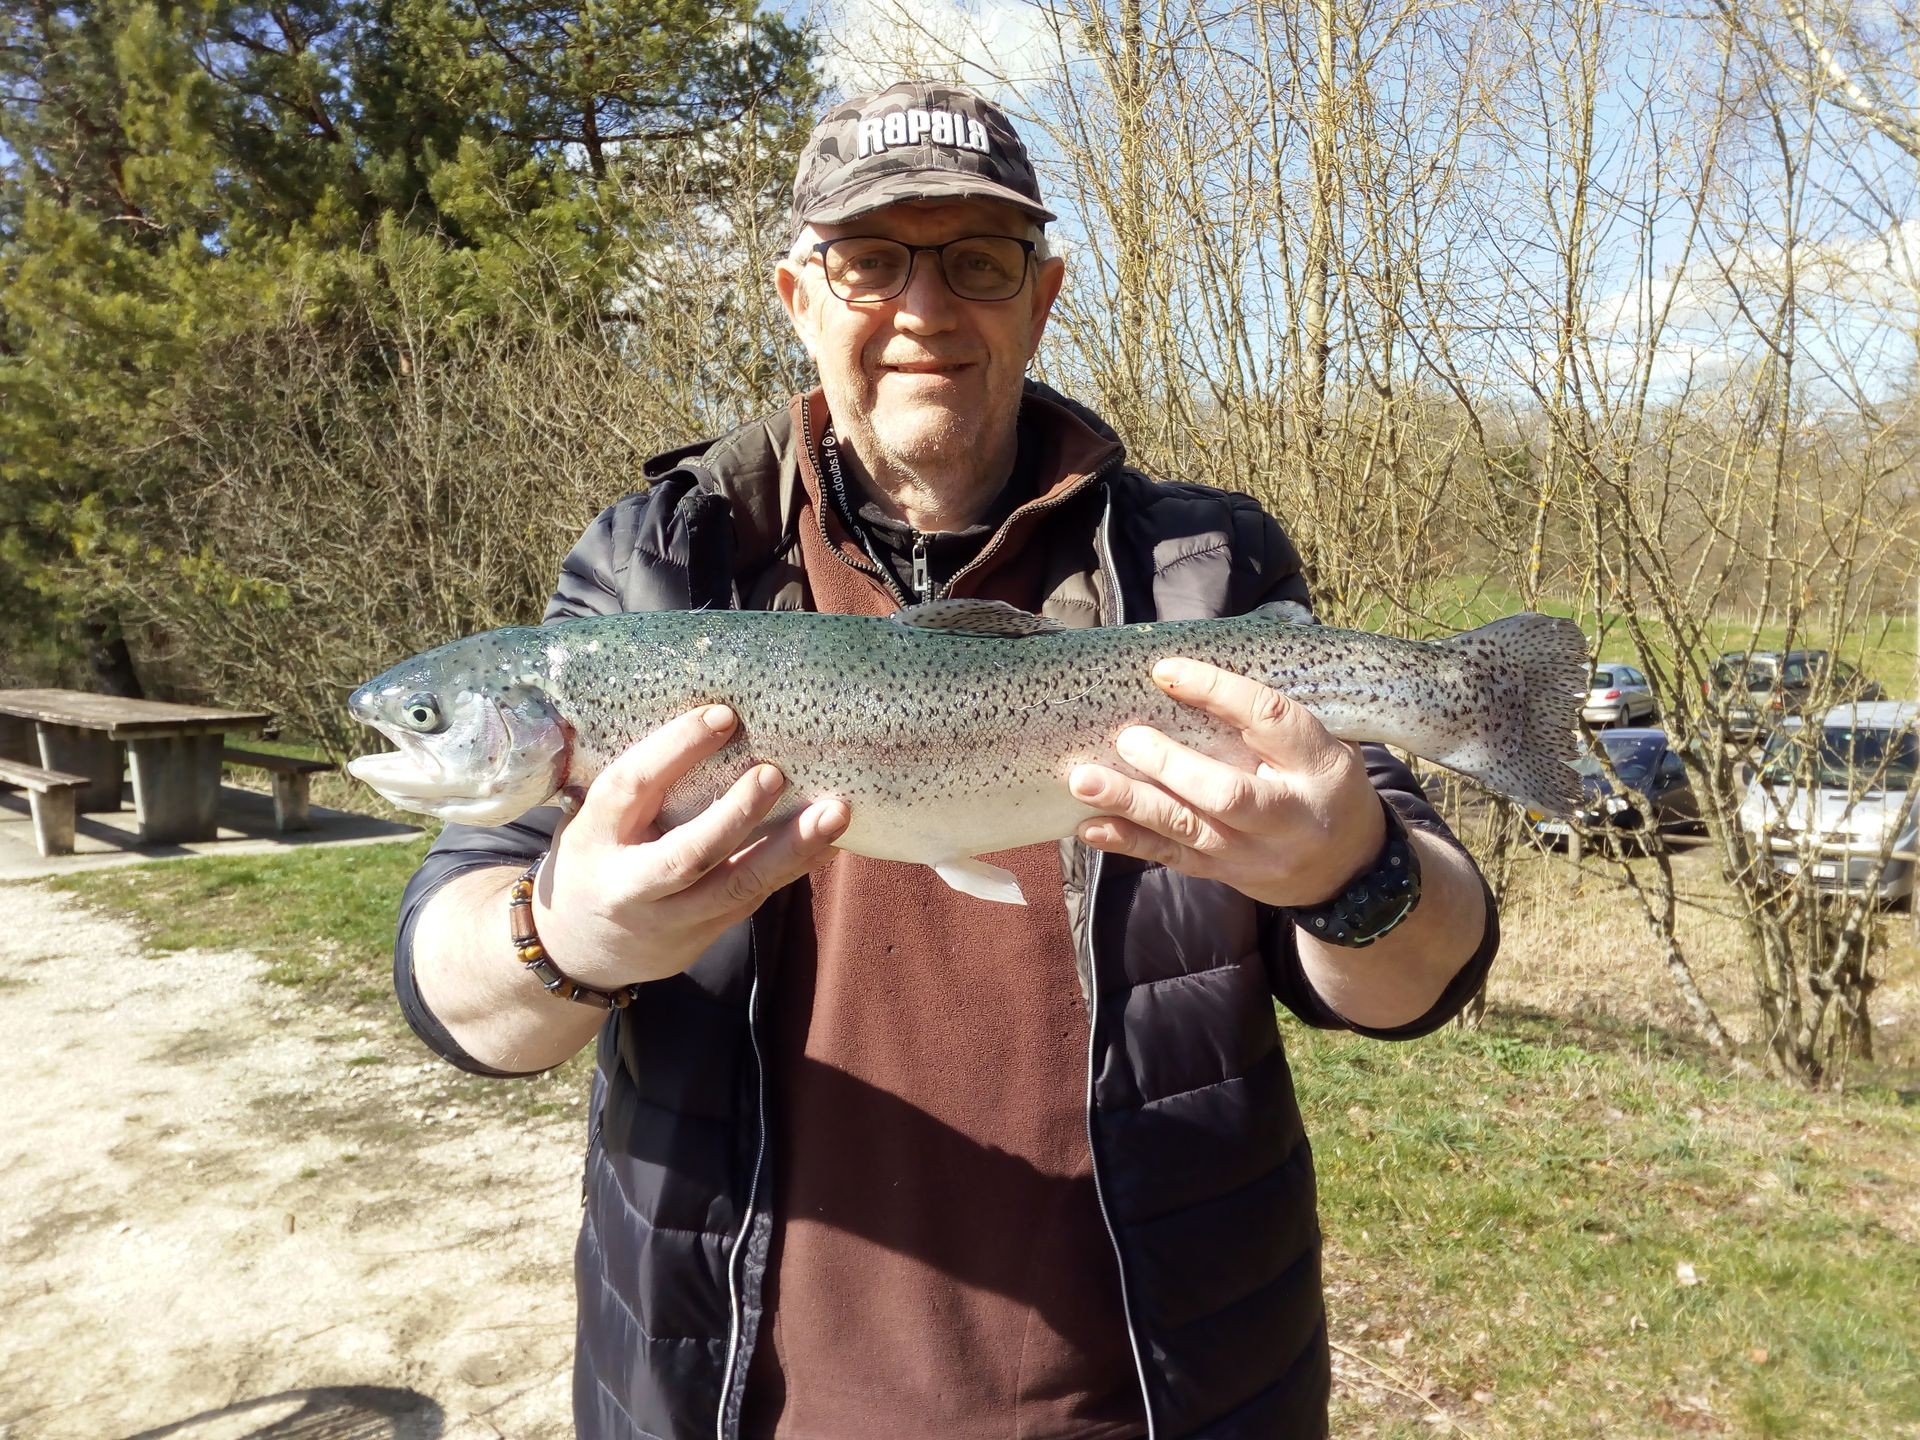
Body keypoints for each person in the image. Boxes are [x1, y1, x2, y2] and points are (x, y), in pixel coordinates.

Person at [394, 80, 1499, 1440]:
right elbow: (455, 984)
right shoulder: (652, 570)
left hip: (1169, 1397)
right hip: (746, 1402)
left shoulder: (1204, 572)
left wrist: (1356, 873)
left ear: (1040, 300)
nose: (924, 309)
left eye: (977, 263)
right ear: (799, 295)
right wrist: (564, 933)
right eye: (872, 263)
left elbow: (1418, 973)